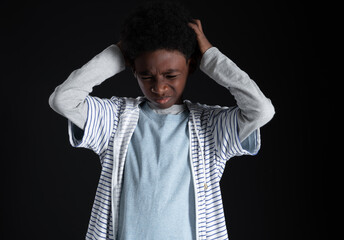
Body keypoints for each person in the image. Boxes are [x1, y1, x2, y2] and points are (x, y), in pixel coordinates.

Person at [49, 1, 275, 239]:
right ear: (133, 69)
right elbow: (63, 100)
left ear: (191, 65)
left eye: (171, 75)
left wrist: (210, 55)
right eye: (146, 76)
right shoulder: (114, 120)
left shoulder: (212, 129)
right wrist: (117, 53)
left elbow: (261, 111)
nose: (159, 87)